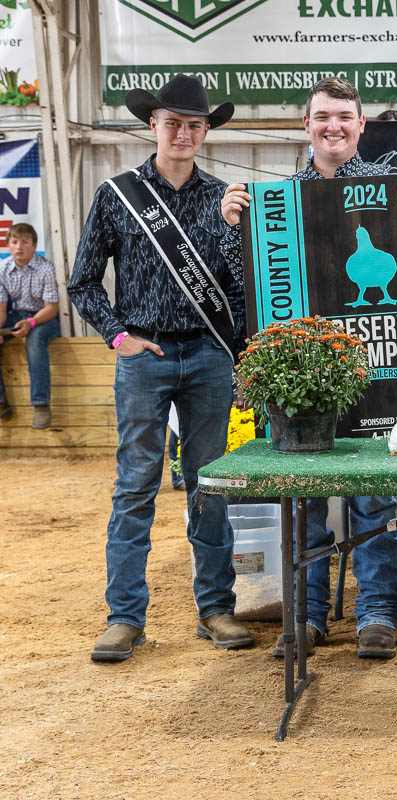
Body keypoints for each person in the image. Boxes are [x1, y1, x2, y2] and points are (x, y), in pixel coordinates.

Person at [221, 76, 397, 660]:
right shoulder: (271, 201)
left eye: (345, 117)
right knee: (304, 498)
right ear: (306, 125)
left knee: (374, 497)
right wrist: (230, 228)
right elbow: (239, 282)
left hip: (380, 365)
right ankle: (305, 615)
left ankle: (378, 610)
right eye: (323, 117)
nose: (334, 127)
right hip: (301, 374)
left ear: (361, 125)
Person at [68, 74, 252, 662]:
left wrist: (230, 233)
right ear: (153, 126)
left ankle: (217, 608)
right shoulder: (116, 194)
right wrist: (117, 335)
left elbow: (240, 287)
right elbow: (82, 281)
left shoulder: (225, 198)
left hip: (208, 353)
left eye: (195, 124)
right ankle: (125, 617)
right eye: (173, 122)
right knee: (135, 485)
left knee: (210, 484)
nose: (184, 133)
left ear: (205, 132)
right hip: (143, 354)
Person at [0, 223, 60, 429]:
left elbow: (52, 308)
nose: (19, 247)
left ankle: (41, 405)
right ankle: (1, 402)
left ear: (34, 246)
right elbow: (1, 310)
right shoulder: (2, 269)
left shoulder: (45, 268)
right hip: (15, 316)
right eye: (14, 242)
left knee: (34, 340)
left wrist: (31, 322)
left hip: (43, 318)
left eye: (25, 242)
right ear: (8, 246)